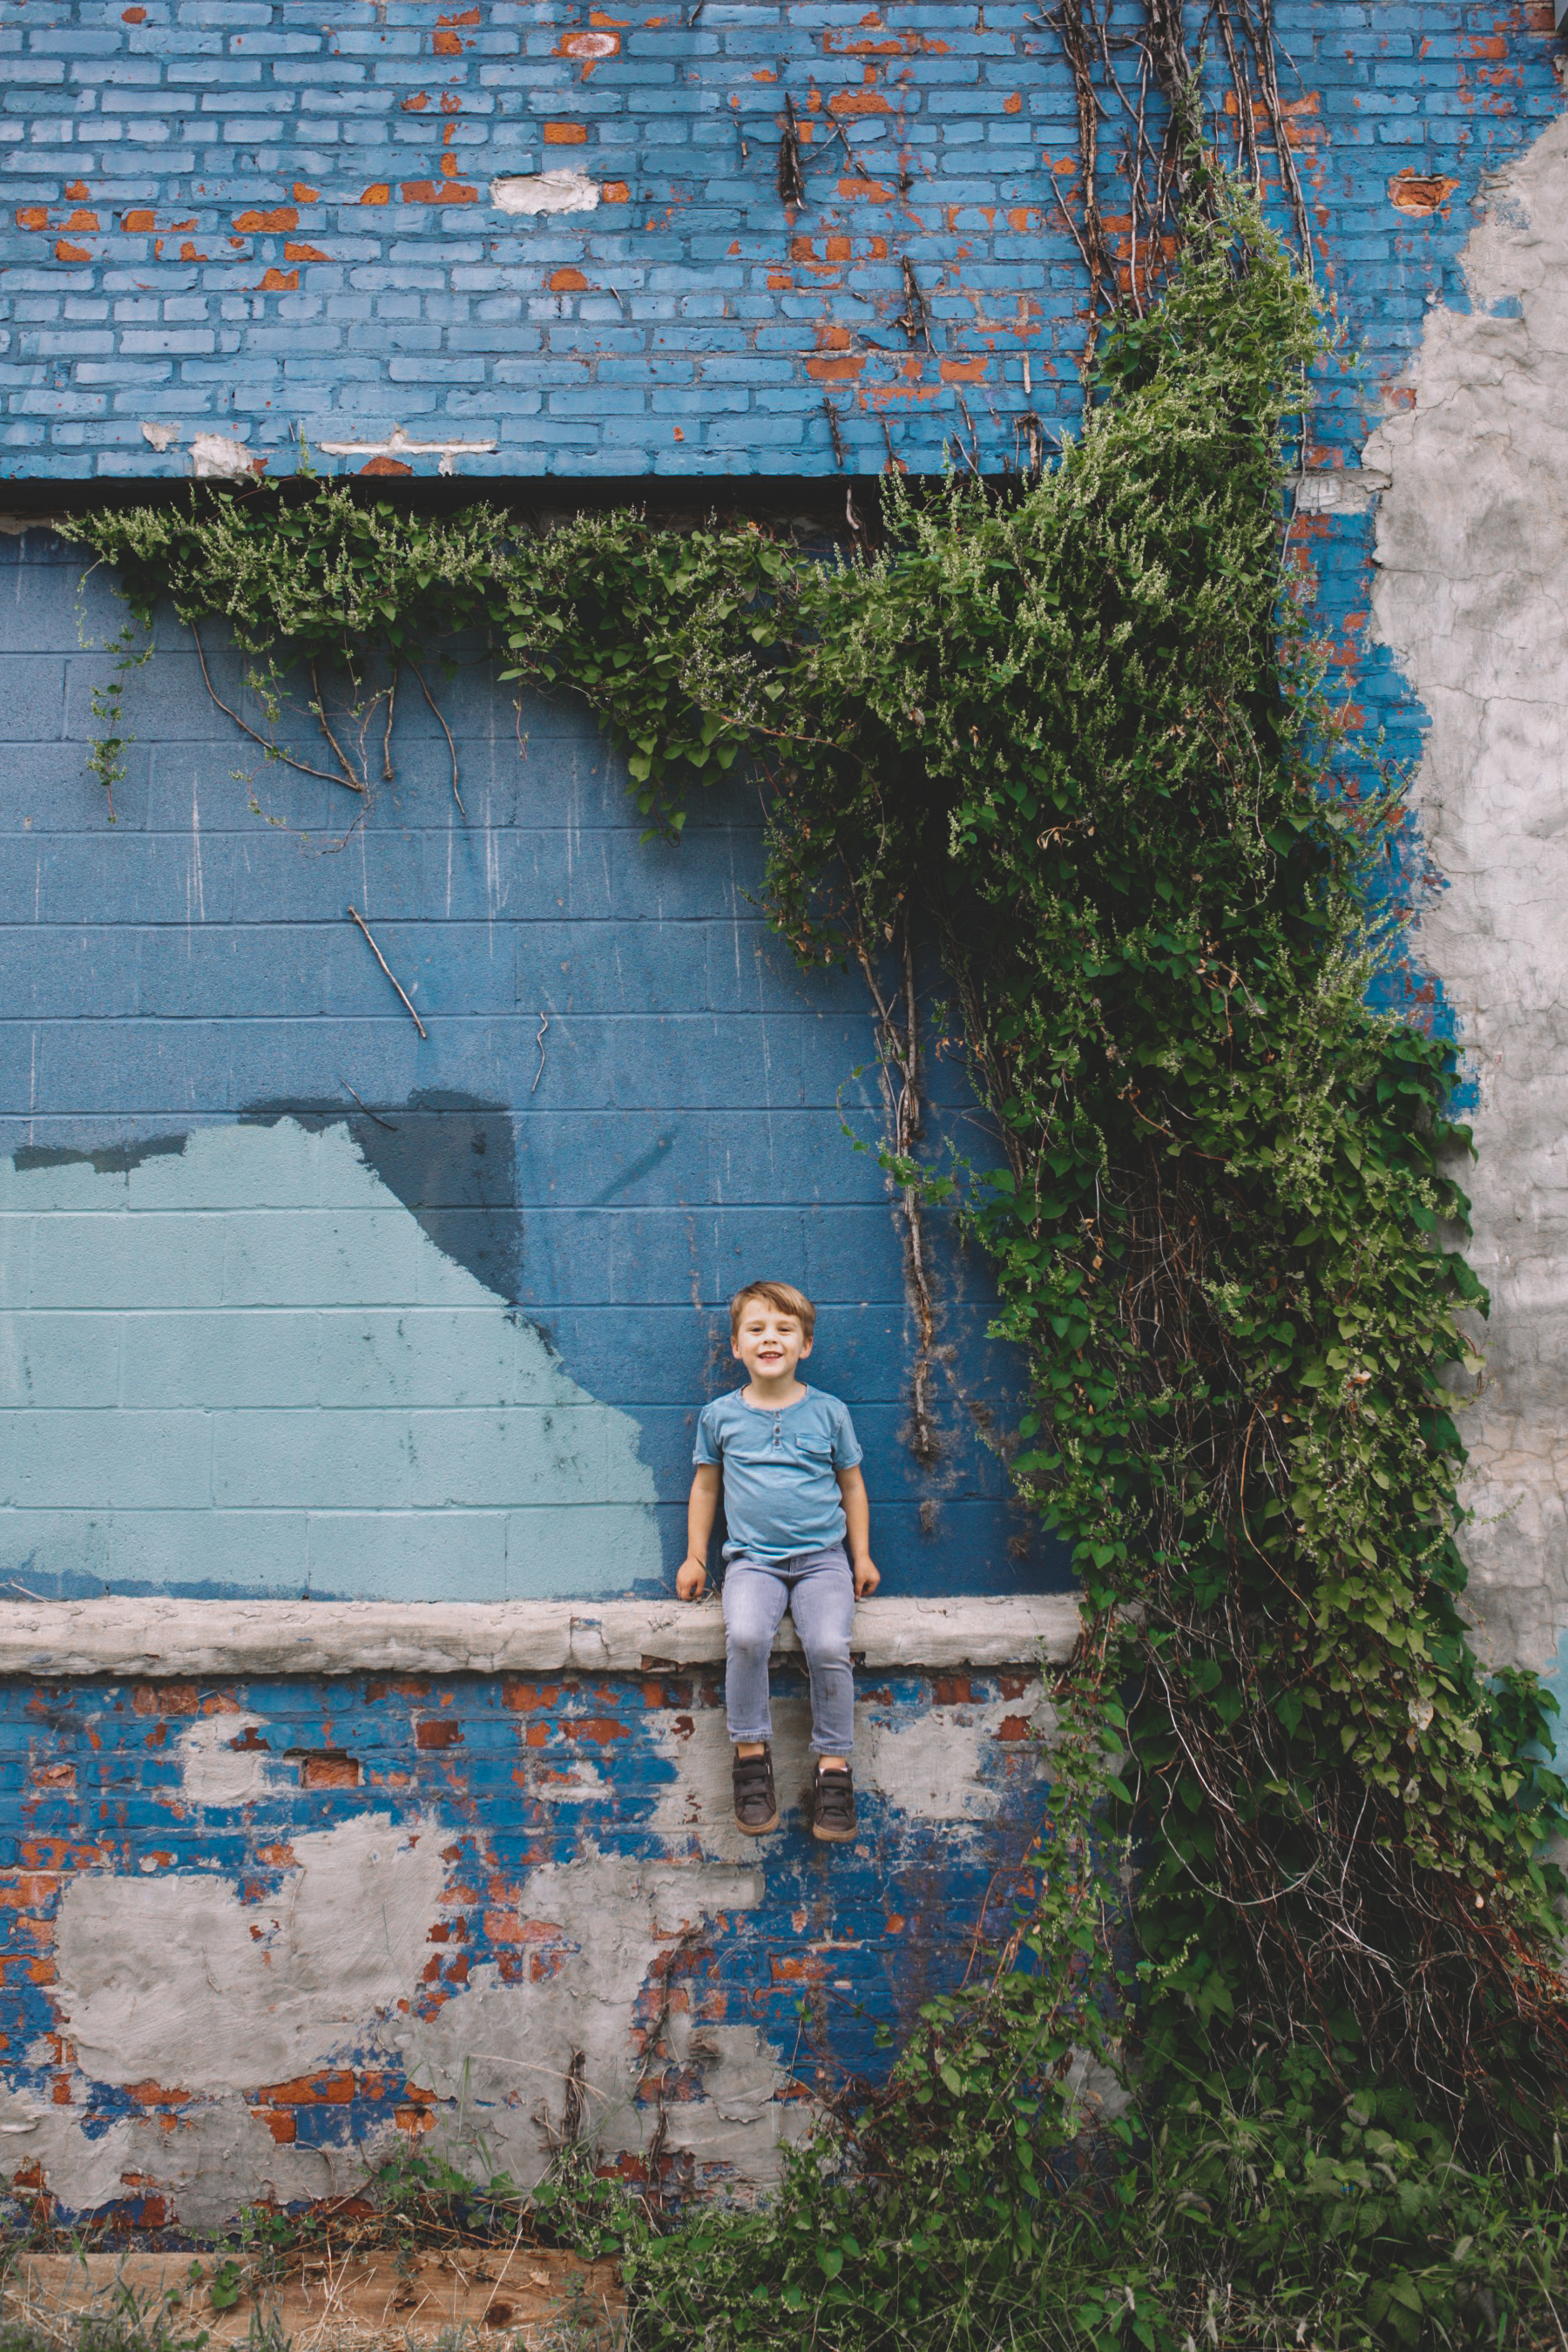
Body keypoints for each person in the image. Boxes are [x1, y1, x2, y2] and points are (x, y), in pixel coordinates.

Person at [677, 1280, 880, 1842]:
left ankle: (834, 1772)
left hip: (822, 1562)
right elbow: (705, 1490)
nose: (771, 1339)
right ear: (737, 1347)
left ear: (805, 1345)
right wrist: (696, 1557)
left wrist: (860, 1556)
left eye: (784, 1329)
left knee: (827, 1646)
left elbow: (853, 1486)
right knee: (744, 1636)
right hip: (752, 1563)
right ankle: (750, 1761)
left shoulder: (829, 1413)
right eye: (757, 1329)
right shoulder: (720, 1417)